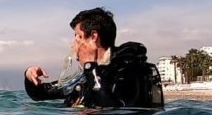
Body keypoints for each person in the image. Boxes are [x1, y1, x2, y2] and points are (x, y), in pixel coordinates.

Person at [24, 8, 163, 108]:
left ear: (93, 37)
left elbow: (112, 109)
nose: (73, 45)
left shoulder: (130, 69)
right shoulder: (84, 76)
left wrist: (90, 67)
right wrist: (29, 76)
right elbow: (42, 94)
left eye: (77, 37)